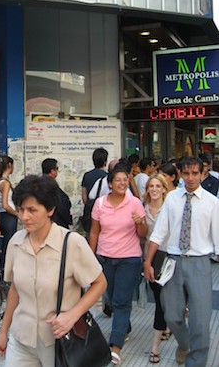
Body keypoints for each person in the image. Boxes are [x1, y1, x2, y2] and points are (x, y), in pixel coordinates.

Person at [0, 175, 107, 366]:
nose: (24, 217)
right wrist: (4, 331)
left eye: (32, 210)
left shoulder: (71, 243)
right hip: (21, 338)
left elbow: (100, 283)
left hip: (59, 342)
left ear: (50, 210)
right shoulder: (16, 242)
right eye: (21, 209)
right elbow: (15, 289)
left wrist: (72, 316)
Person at [144, 157, 219, 367]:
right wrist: (148, 262)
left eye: (195, 173)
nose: (191, 178)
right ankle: (185, 344)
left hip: (200, 263)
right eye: (186, 173)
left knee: (201, 322)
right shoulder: (172, 199)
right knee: (172, 315)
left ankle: (196, 362)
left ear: (203, 174)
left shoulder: (212, 203)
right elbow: (158, 234)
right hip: (173, 262)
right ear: (180, 174)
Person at [89, 167, 148, 366]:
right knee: (112, 300)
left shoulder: (135, 203)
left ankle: (115, 346)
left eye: (125, 180)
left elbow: (143, 233)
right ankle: (125, 327)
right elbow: (95, 232)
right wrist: (90, 256)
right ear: (110, 184)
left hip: (129, 259)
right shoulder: (100, 204)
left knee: (122, 302)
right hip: (105, 258)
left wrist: (140, 223)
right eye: (118, 180)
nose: (123, 183)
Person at [143, 174, 171, 364]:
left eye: (157, 186)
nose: (154, 189)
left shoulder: (170, 208)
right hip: (149, 259)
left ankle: (154, 347)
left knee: (162, 302)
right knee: (159, 298)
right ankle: (166, 325)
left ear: (163, 189)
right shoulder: (141, 209)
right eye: (150, 186)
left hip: (168, 258)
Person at [0, 155, 19, 269]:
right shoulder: (6, 183)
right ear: (9, 165)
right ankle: (6, 272)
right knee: (9, 246)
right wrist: (18, 214)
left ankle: (3, 270)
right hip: (9, 217)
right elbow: (6, 204)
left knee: (5, 246)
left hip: (1, 216)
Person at [42, 158, 72, 228]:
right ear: (52, 171)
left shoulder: (39, 184)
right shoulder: (51, 185)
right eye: (57, 168)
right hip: (57, 222)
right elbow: (61, 205)